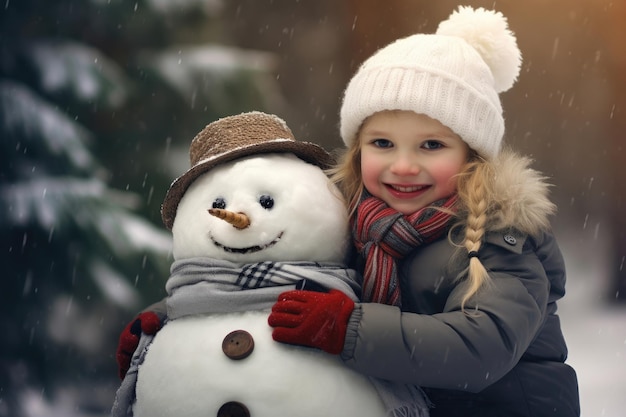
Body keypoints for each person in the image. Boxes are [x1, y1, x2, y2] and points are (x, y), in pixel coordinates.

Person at [267, 6, 580, 417]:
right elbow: (265, 284)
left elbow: (478, 347)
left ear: (473, 156)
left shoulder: (500, 241)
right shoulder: (351, 228)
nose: (403, 166)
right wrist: (177, 320)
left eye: (431, 145)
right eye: (382, 143)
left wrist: (348, 328)